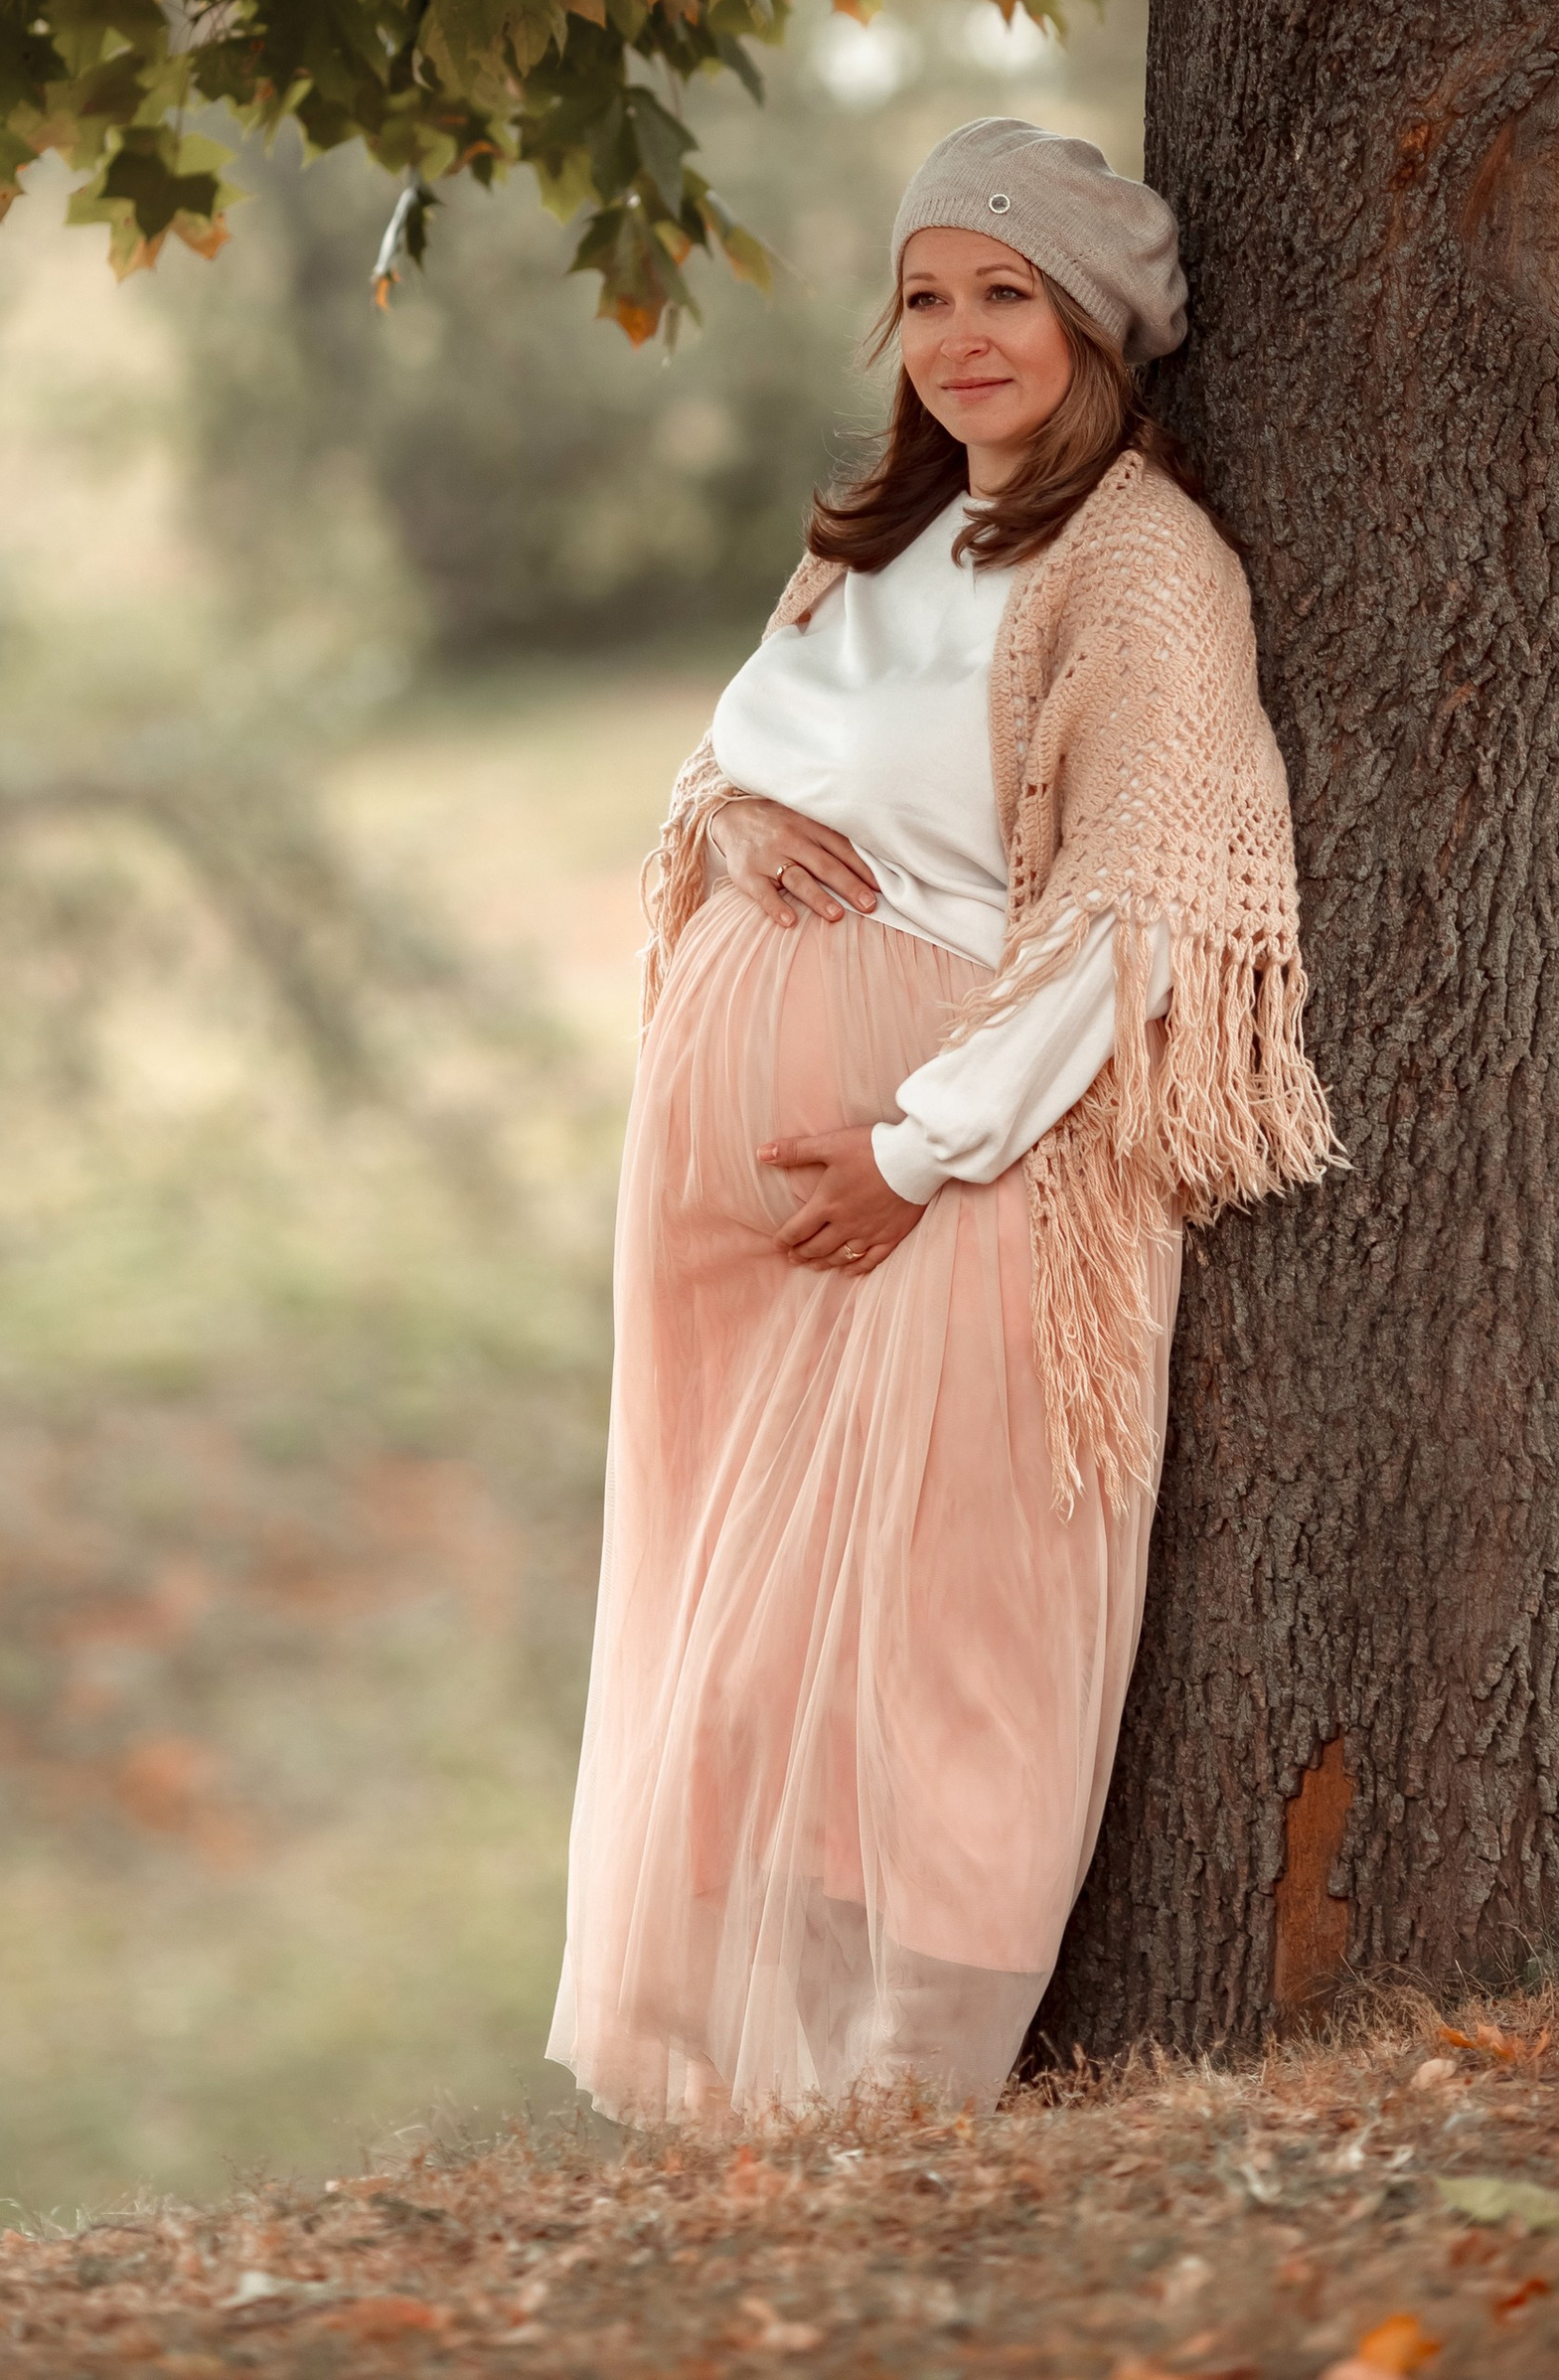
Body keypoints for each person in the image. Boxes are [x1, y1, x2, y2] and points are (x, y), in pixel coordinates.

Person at [547, 115, 1335, 2122]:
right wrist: (720, 814)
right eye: (923, 293)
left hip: (959, 1173)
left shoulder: (1139, 568)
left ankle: (906, 2100)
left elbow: (1140, 907)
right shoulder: (867, 540)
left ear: (1096, 320)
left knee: (949, 1644)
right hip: (741, 1217)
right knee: (746, 1655)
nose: (959, 337)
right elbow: (730, 749)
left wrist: (913, 1149)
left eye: (1007, 294)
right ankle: (764, 2102)